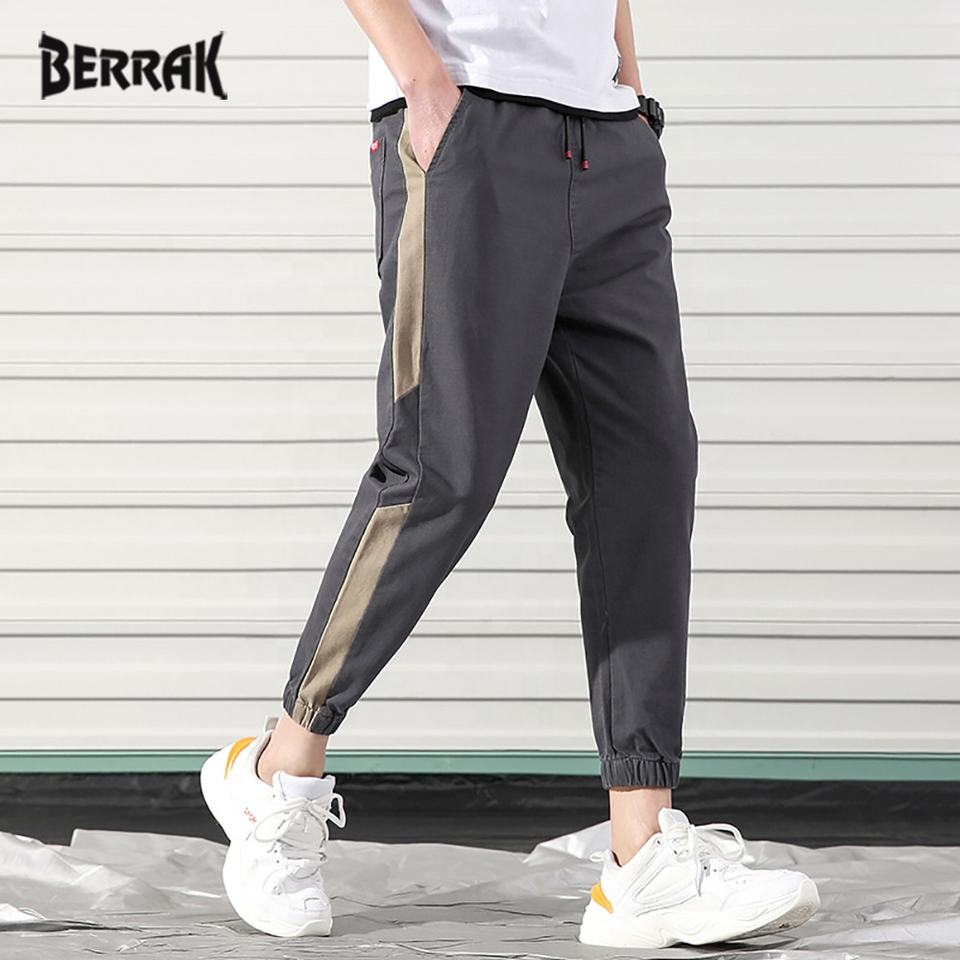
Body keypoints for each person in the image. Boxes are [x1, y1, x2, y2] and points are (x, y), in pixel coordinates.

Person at [199, 0, 821, 946]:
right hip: (466, 120)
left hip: (606, 140)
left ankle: (641, 858)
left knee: (647, 478)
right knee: (438, 469)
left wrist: (627, 87)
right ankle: (278, 773)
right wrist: (423, 82)